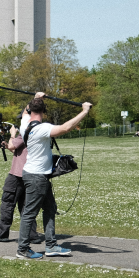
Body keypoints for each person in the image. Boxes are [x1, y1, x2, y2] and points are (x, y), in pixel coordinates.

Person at [17, 93, 92, 259]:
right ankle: (22, 249)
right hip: (36, 177)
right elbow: (65, 128)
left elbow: (24, 113)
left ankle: (51, 246)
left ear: (30, 109)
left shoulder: (24, 124)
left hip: (38, 175)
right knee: (29, 213)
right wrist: (84, 111)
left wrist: (37, 97)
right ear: (44, 111)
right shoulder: (42, 129)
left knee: (50, 209)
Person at [0, 123, 42, 243]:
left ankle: (2, 233)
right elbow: (20, 151)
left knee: (8, 203)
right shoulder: (37, 133)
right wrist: (7, 146)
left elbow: (13, 144)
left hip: (17, 174)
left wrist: (12, 135)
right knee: (26, 206)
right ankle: (31, 235)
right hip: (30, 173)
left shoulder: (25, 133)